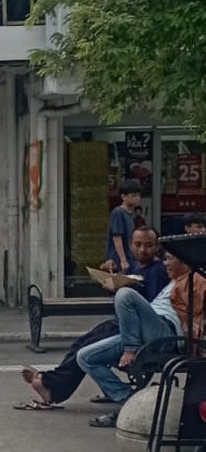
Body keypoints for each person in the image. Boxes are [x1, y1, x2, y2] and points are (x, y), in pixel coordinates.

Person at [18, 227, 168, 409]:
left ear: (157, 247)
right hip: (120, 322)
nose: (143, 250)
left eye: (149, 245)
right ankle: (51, 382)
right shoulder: (135, 266)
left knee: (85, 351)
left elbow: (150, 308)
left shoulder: (158, 271)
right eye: (138, 245)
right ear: (130, 245)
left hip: (133, 328)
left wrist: (122, 289)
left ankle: (50, 385)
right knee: (79, 344)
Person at [78, 251, 206, 426]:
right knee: (85, 357)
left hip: (165, 334)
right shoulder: (172, 282)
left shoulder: (195, 279)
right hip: (142, 332)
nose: (165, 263)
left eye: (170, 259)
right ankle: (130, 402)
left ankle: (130, 350)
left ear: (185, 262)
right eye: (165, 259)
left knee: (124, 294)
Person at [105, 178, 144, 272]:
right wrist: (123, 260)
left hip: (130, 257)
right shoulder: (118, 212)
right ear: (123, 196)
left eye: (138, 196)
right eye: (133, 196)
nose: (137, 198)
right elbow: (117, 237)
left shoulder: (130, 214)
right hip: (118, 260)